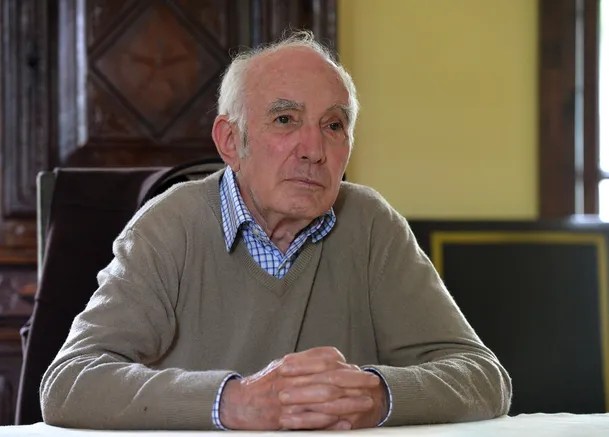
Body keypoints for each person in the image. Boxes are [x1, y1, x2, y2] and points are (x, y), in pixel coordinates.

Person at [40, 31, 512, 430]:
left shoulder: (371, 224)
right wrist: (234, 402)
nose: (314, 150)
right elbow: (69, 382)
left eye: (333, 125)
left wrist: (378, 394)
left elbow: (484, 378)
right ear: (230, 141)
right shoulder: (169, 225)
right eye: (285, 120)